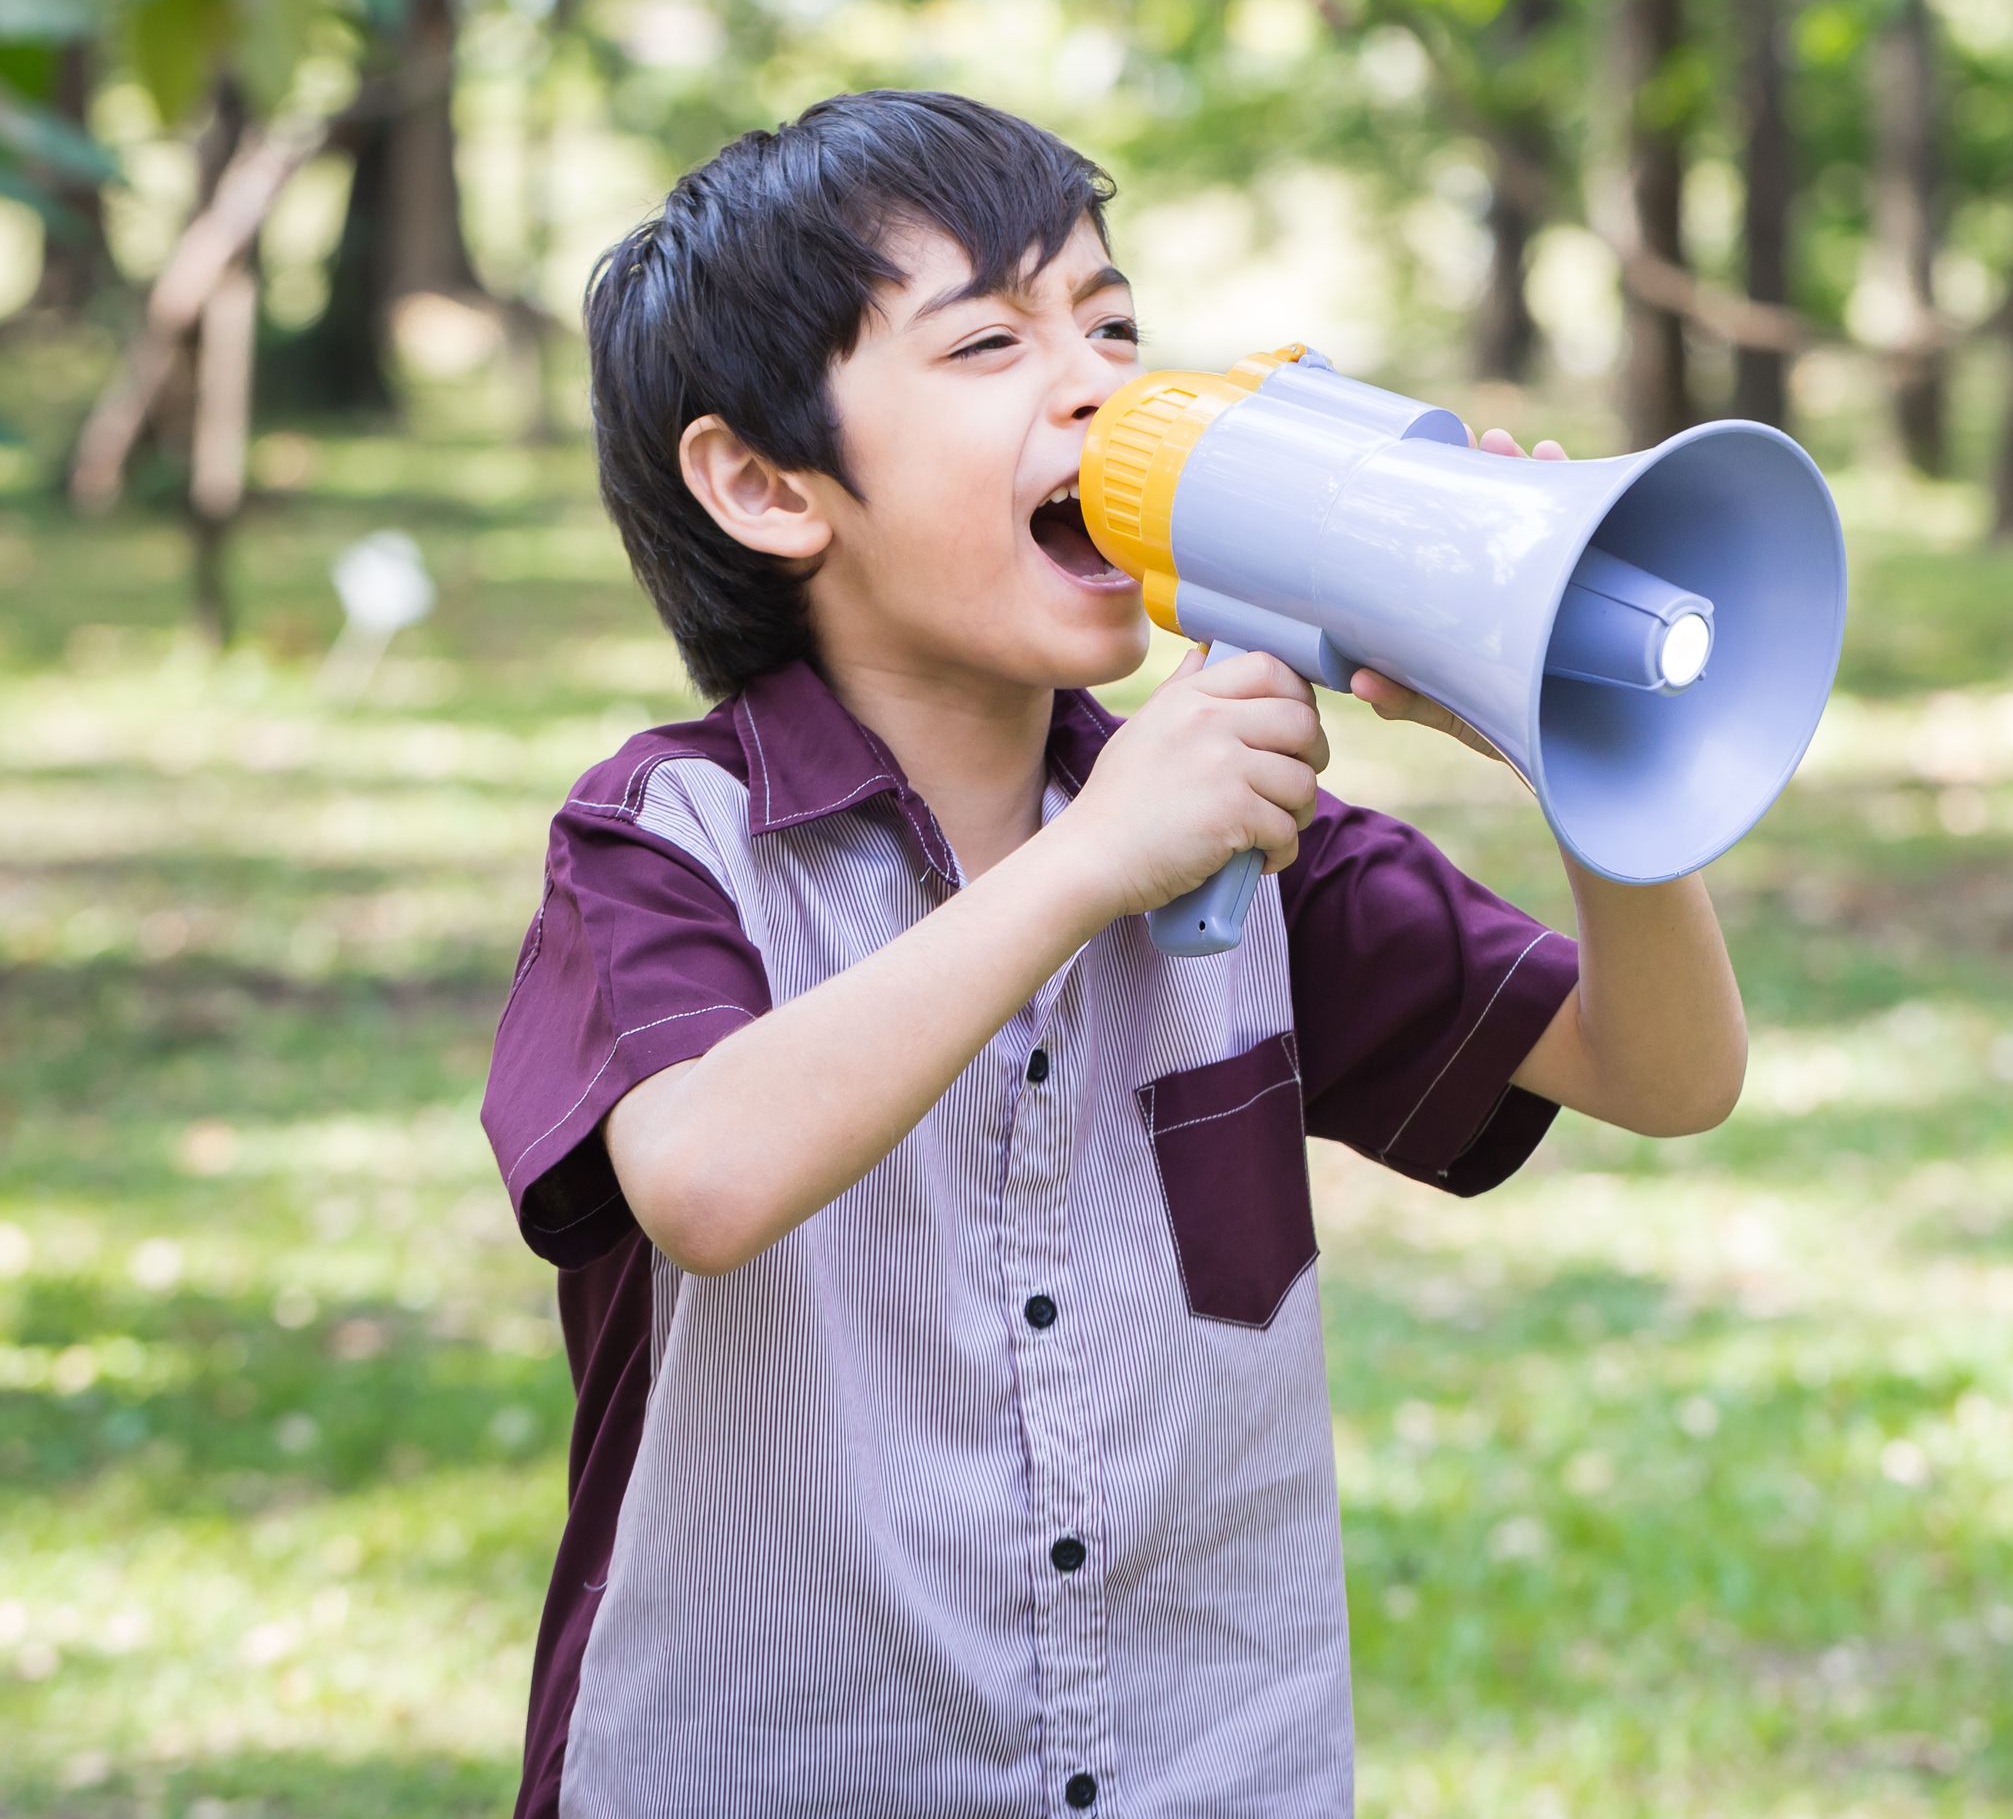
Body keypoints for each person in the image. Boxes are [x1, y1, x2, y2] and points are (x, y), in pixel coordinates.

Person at [475, 88, 1747, 1818]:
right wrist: (1091, 862)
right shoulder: (668, 840)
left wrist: (1569, 733)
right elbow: (702, 1177)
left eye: (1113, 322)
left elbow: (1666, 1072)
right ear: (767, 485)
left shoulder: (1240, 830)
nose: (1096, 384)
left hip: (1205, 1768)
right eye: (989, 342)